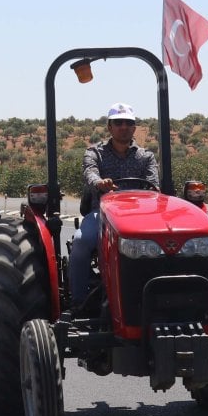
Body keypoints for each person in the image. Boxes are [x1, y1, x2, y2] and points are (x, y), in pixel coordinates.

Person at [68, 102, 159, 312]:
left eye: (128, 123)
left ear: (134, 128)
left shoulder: (146, 157)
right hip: (101, 214)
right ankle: (79, 301)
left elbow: (154, 186)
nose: (123, 127)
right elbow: (89, 172)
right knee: (82, 242)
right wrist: (99, 183)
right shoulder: (95, 153)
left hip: (139, 215)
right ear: (110, 127)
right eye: (118, 123)